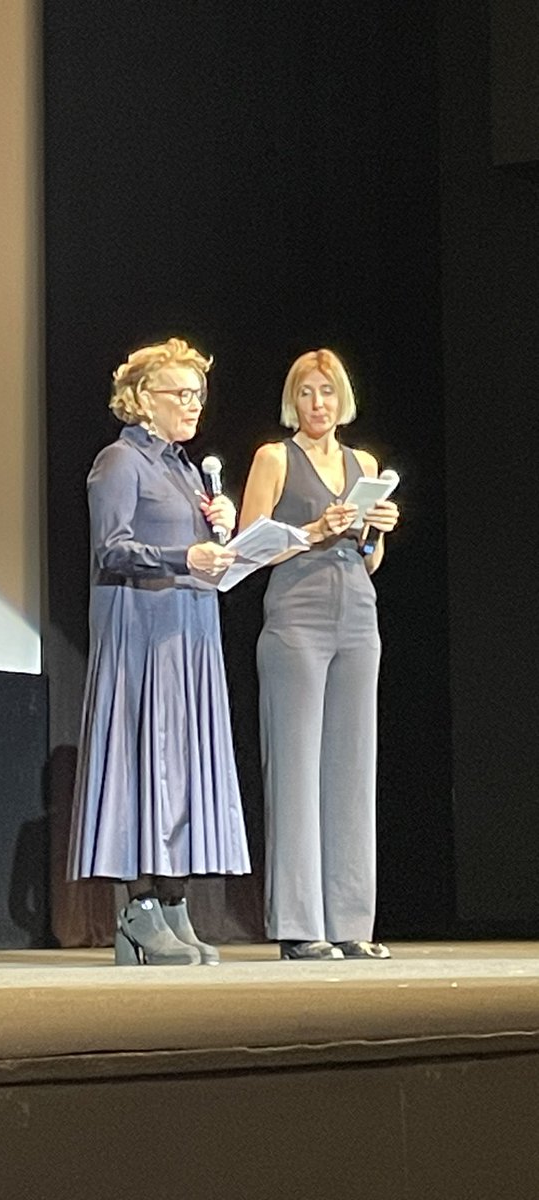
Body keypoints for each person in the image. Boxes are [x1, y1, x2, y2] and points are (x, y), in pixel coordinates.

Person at [67, 337, 250, 966]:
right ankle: (139, 908)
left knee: (181, 767)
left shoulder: (183, 468)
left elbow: (197, 551)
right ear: (144, 398)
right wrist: (185, 555)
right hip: (142, 634)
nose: (194, 405)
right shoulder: (119, 461)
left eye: (199, 394)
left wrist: (216, 529)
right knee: (148, 762)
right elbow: (110, 550)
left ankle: (173, 903)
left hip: (189, 630)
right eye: (182, 394)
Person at [239, 348, 399, 961]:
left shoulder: (365, 463)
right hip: (296, 620)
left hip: (358, 617)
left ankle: (351, 921)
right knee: (297, 772)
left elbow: (370, 559)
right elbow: (247, 550)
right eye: (306, 392)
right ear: (292, 400)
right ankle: (301, 925)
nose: (318, 404)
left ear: (343, 398)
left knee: (353, 770)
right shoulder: (274, 458)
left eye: (327, 392)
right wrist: (312, 531)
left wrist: (373, 531)